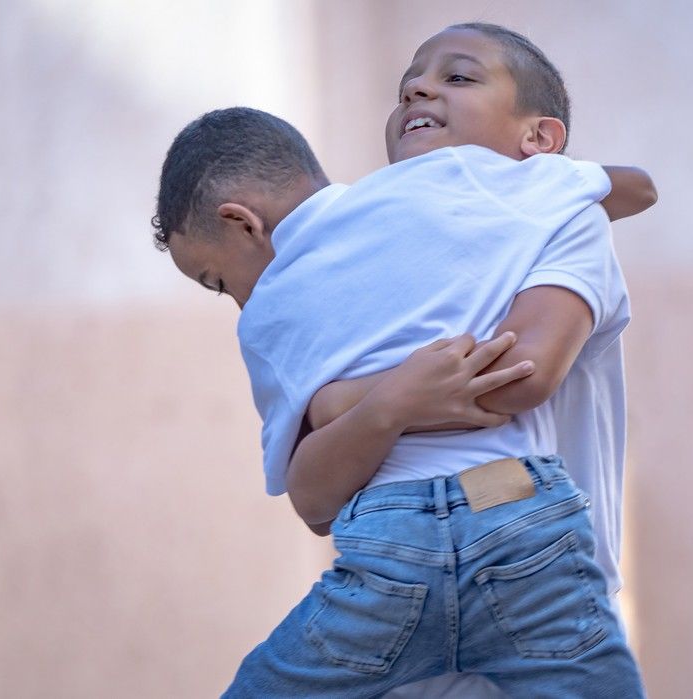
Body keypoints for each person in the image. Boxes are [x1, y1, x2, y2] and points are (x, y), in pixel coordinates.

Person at [153, 24, 654, 698]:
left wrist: (344, 404)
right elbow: (314, 498)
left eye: (460, 77)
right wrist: (393, 401)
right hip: (477, 557)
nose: (417, 86)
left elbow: (524, 371)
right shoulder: (368, 232)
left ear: (538, 141)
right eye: (408, 85)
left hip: (483, 565)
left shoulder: (558, 211)